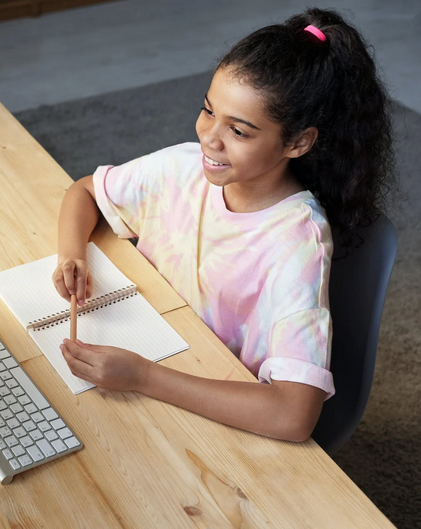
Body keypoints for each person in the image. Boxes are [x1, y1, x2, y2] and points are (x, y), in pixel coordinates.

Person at [52, 8, 396, 442]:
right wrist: (72, 255)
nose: (209, 137)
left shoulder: (296, 244)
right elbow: (83, 191)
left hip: (214, 401)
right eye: (208, 111)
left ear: (298, 142)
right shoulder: (183, 168)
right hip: (160, 346)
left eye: (239, 131)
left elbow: (293, 415)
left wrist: (143, 376)